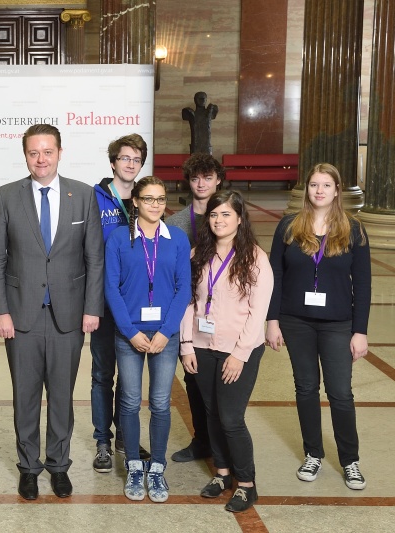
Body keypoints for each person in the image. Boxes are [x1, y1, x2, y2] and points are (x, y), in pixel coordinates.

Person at [0, 123, 104, 500]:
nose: (41, 159)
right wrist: (0, 311)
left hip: (69, 315)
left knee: (62, 396)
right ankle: (28, 467)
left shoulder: (82, 195)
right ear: (25, 155)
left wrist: (92, 308)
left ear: (59, 153)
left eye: (47, 152)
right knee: (25, 397)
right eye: (34, 152)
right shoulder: (6, 196)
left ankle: (58, 465)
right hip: (21, 315)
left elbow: (95, 258)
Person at [266, 163, 371, 490]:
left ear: (337, 190)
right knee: (306, 388)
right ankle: (313, 453)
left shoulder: (353, 229)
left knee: (340, 392)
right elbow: (274, 276)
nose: (320, 190)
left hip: (338, 323)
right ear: (306, 189)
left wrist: (360, 331)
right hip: (295, 321)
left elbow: (363, 284)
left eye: (326, 185)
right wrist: (272, 320)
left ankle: (350, 460)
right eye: (314, 184)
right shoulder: (288, 226)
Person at [180, 190, 273, 513]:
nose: (219, 220)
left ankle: (246, 484)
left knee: (231, 418)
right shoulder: (198, 254)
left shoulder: (255, 258)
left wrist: (240, 354)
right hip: (202, 347)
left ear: (240, 219)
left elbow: (258, 312)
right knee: (212, 414)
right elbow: (189, 303)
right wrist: (186, 345)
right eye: (214, 214)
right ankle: (222, 473)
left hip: (238, 350)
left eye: (226, 214)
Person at [104, 176, 190, 503]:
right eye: (149, 198)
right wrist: (130, 332)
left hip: (165, 334)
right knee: (129, 401)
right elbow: (111, 288)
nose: (155, 205)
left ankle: (156, 466)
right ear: (136, 202)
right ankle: (133, 465)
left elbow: (183, 289)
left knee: (160, 403)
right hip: (130, 333)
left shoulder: (176, 239)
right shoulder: (118, 238)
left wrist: (166, 332)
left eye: (161, 199)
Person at [91, 133, 151, 472]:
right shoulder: (94, 198)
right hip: (103, 302)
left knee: (130, 378)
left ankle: (126, 438)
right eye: (125, 158)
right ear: (113, 162)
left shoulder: (146, 199)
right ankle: (102, 441)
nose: (130, 164)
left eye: (136, 159)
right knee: (103, 374)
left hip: (135, 303)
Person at [165, 152, 224, 463]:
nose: (201, 184)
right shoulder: (175, 223)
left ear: (218, 180)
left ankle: (223, 444)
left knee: (222, 382)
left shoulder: (229, 216)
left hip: (223, 312)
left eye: (208, 177)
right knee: (193, 377)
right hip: (188, 312)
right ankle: (202, 441)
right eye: (195, 178)